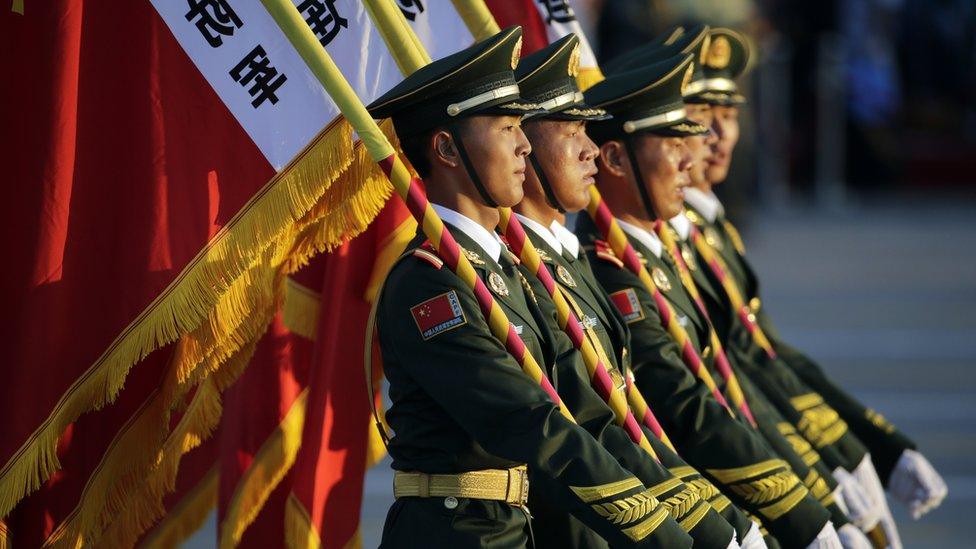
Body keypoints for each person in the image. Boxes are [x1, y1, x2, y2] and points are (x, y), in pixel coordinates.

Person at [366, 27, 691, 548]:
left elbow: (589, 412)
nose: (524, 144)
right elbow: (527, 421)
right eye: (507, 126)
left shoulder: (512, 272)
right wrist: (661, 537)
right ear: (447, 146)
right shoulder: (427, 284)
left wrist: (704, 527)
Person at [605, 27, 879, 549]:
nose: (709, 145)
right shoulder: (618, 265)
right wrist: (789, 508)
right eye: (689, 129)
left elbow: (753, 366)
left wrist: (844, 458)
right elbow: (686, 407)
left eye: (726, 119)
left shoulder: (697, 236)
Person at [682, 26, 947, 545]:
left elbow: (768, 357)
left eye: (730, 116)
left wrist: (873, 446)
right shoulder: (653, 250)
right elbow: (717, 390)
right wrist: (812, 492)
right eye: (698, 119)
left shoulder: (711, 228)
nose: (718, 136)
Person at [507, 33, 751, 549]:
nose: (589, 149)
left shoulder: (566, 262)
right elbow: (579, 425)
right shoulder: (503, 274)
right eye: (572, 129)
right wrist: (697, 529)